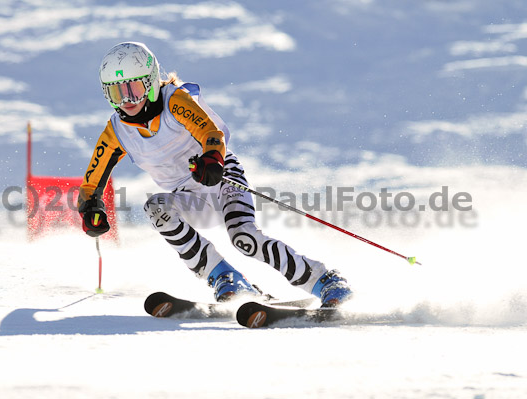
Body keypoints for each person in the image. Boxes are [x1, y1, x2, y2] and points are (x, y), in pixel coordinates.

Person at [78, 41, 352, 307]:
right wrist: (90, 207)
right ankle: (225, 277)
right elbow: (92, 180)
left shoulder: (175, 101)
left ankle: (324, 280)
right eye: (117, 94)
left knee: (244, 239)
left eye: (134, 89)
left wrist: (212, 159)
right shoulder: (117, 131)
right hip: (191, 197)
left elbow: (211, 133)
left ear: (150, 82)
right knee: (156, 208)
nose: (127, 101)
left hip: (221, 178)